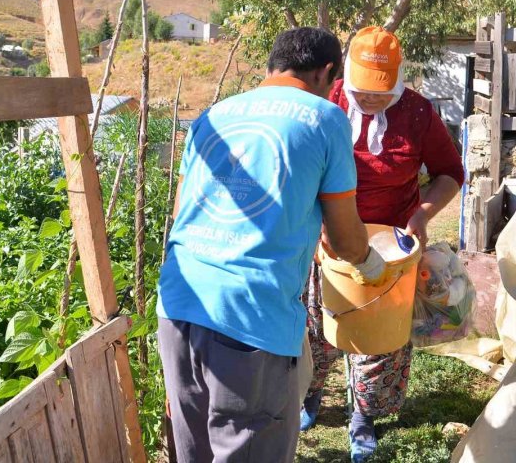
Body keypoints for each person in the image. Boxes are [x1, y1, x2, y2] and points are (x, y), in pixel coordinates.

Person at [157, 27, 392, 463]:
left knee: (194, 449)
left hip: (178, 306)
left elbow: (180, 217)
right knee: (251, 449)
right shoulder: (326, 119)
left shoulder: (213, 114)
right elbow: (342, 237)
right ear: (327, 72)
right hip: (249, 318)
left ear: (273, 65)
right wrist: (371, 263)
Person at [300, 26, 465, 462]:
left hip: (391, 246)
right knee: (318, 326)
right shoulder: (325, 103)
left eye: (382, 91)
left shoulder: (416, 113)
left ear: (398, 80)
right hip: (328, 240)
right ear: (344, 74)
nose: (371, 99)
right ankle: (309, 395)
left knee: (380, 336)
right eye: (362, 89)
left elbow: (450, 172)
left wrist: (422, 214)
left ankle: (364, 415)